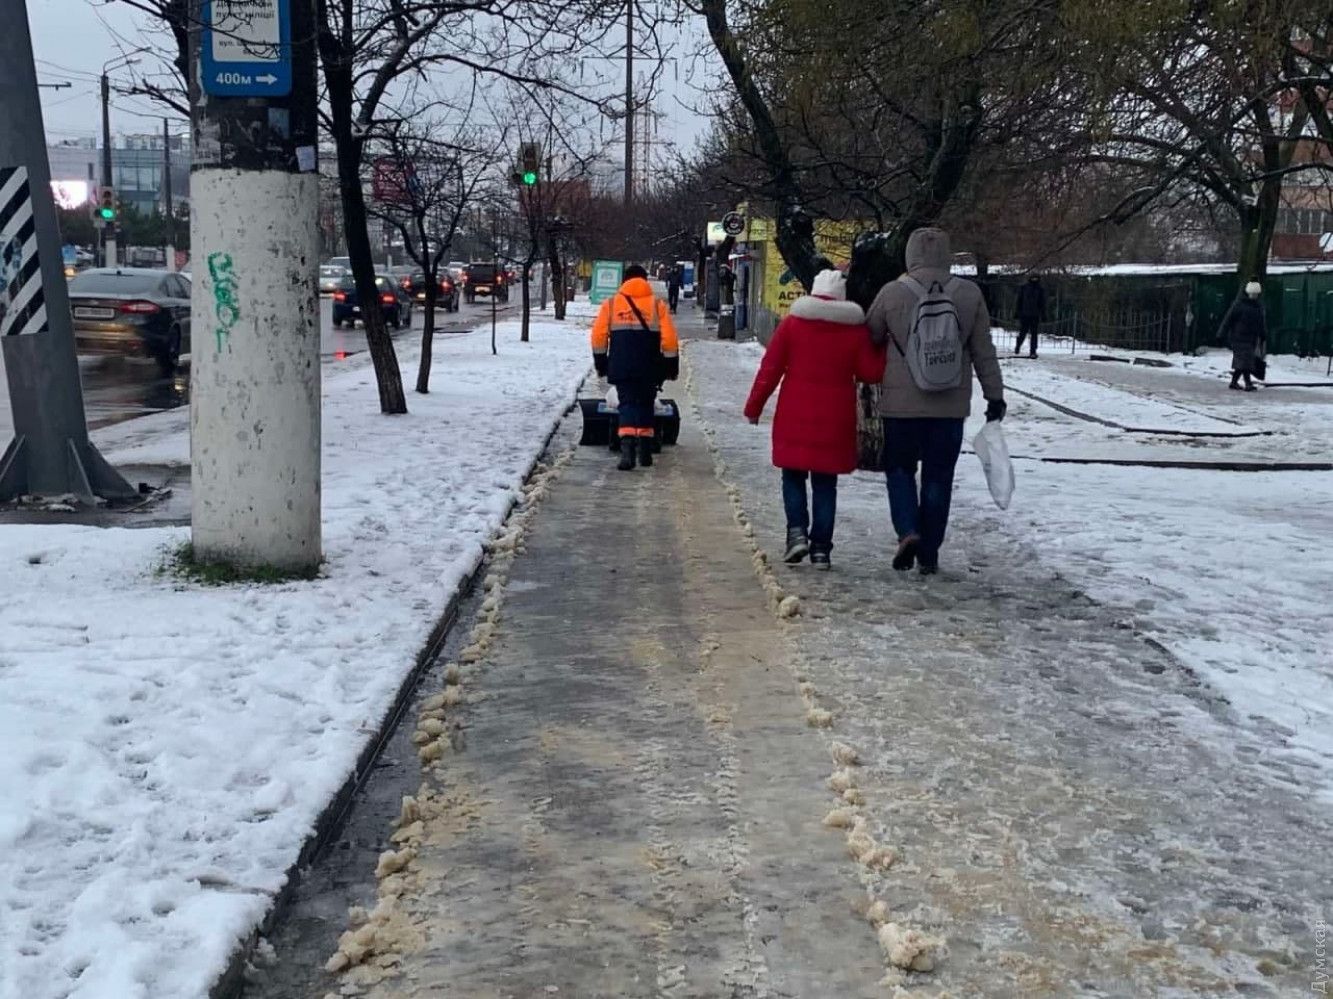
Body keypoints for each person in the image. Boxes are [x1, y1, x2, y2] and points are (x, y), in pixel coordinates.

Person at [867, 227, 1006, 576]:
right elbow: (983, 352)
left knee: (899, 470)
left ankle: (908, 531)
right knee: (938, 477)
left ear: (910, 254)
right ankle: (930, 552)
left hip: (900, 406)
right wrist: (995, 395)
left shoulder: (892, 292)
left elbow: (870, 335)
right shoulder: (969, 294)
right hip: (949, 407)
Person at [743, 269, 885, 570]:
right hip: (836, 420)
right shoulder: (854, 330)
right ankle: (821, 549)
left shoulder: (793, 325)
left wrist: (754, 407)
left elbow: (770, 369)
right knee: (825, 483)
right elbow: (871, 372)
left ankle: (796, 534)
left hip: (794, 416)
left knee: (792, 476)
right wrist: (882, 345)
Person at [591, 264, 679, 470]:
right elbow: (669, 339)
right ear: (644, 280)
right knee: (646, 403)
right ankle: (646, 450)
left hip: (621, 365)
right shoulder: (657, 306)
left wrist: (601, 362)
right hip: (650, 366)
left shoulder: (611, 305)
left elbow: (598, 336)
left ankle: (628, 452)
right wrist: (671, 366)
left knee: (627, 403)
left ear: (625, 281)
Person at [1222, 281, 1267, 392]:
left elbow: (1261, 323)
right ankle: (1248, 383)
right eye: (1252, 294)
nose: (1254, 296)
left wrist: (1262, 334)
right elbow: (1228, 319)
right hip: (1239, 337)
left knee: (1243, 361)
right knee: (1246, 360)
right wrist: (1221, 333)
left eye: (1256, 294)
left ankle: (1234, 382)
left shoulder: (1257, 306)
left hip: (1250, 337)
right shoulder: (1240, 305)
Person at [1014, 274, 1046, 358]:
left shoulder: (1040, 289)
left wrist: (1043, 314)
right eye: (1033, 278)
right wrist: (1017, 313)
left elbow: (1042, 303)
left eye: (1036, 278)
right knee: (1023, 333)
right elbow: (1019, 301)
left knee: (1034, 334)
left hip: (1035, 315)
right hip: (1025, 314)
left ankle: (1033, 351)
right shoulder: (1024, 288)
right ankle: (1018, 345)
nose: (1034, 279)